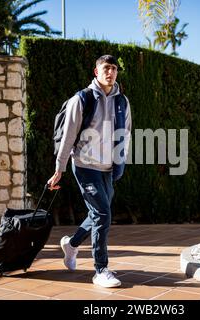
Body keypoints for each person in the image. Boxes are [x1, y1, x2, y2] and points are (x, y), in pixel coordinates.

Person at [48, 55, 132, 288]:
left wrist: (119, 164)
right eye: (106, 68)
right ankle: (101, 269)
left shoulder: (122, 101)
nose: (110, 72)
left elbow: (125, 134)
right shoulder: (81, 99)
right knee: (103, 215)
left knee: (98, 214)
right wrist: (59, 169)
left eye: (114, 69)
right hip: (85, 166)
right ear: (96, 72)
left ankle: (71, 245)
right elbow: (67, 138)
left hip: (108, 168)